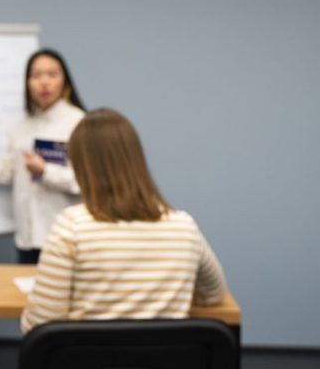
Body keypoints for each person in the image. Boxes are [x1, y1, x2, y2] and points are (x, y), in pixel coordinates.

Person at [20, 108, 227, 333]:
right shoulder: (184, 227)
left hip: (85, 366)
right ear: (136, 160)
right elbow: (214, 294)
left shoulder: (72, 227)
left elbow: (39, 325)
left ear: (81, 166)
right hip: (165, 366)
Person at [0, 48, 86, 264]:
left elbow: (84, 181)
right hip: (27, 239)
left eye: (52, 74)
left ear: (65, 82)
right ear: (27, 83)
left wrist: (45, 171)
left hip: (64, 237)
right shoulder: (22, 128)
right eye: (36, 75)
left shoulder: (78, 123)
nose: (44, 82)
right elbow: (6, 173)